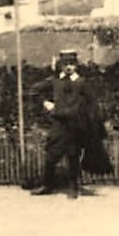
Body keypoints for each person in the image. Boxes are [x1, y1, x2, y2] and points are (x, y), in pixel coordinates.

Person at [30, 50, 104, 198]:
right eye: (65, 64)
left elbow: (92, 102)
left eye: (71, 64)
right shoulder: (55, 81)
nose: (69, 67)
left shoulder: (82, 83)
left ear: (76, 65)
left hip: (75, 125)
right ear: (60, 65)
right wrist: (46, 103)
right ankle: (47, 185)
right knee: (52, 155)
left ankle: (74, 187)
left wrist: (86, 116)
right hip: (58, 123)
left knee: (73, 156)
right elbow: (34, 91)